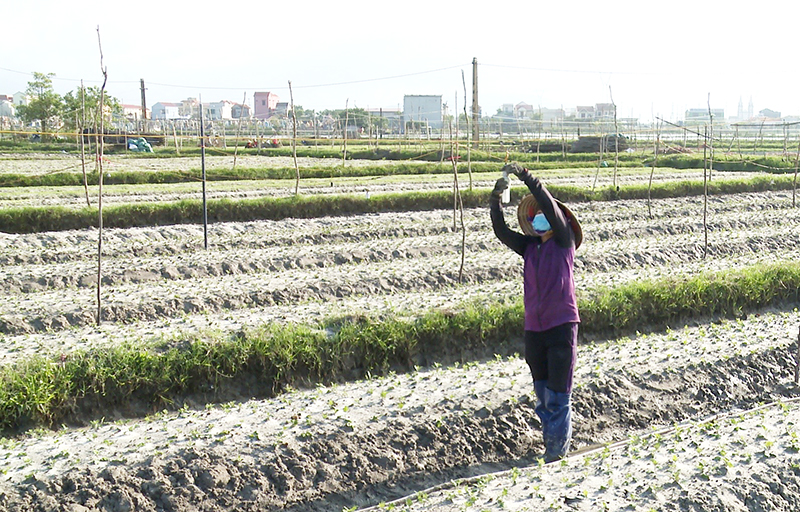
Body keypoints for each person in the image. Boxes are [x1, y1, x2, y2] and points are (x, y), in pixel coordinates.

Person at [489, 162, 583, 463]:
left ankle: (557, 452)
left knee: (558, 394)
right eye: (536, 216)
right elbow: (501, 231)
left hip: (561, 325)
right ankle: (552, 445)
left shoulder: (563, 242)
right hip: (535, 329)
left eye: (545, 214)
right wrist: (495, 200)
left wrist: (527, 177)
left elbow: (546, 202)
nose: (539, 217)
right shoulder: (529, 247)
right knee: (543, 395)